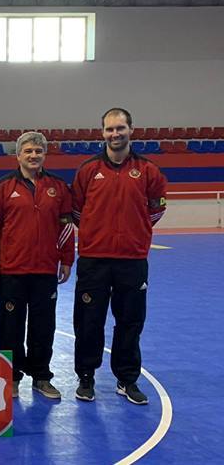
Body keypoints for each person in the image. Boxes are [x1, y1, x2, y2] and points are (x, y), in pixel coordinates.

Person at [71, 108, 167, 405]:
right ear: (102, 133)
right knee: (89, 321)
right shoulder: (87, 171)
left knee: (130, 321)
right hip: (94, 260)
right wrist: (98, 234)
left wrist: (133, 233)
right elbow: (76, 212)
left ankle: (127, 380)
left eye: (120, 128)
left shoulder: (148, 170)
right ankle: (86, 377)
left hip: (132, 260)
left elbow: (156, 209)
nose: (115, 134)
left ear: (131, 130)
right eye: (110, 129)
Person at [0, 132, 75, 399]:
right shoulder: (3, 187)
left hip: (45, 270)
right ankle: (11, 377)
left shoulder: (58, 187)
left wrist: (67, 259)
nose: (33, 155)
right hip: (12, 271)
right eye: (28, 151)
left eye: (38, 151)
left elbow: (66, 227)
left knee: (43, 326)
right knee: (9, 327)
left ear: (44, 155)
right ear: (18, 155)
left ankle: (42, 377)